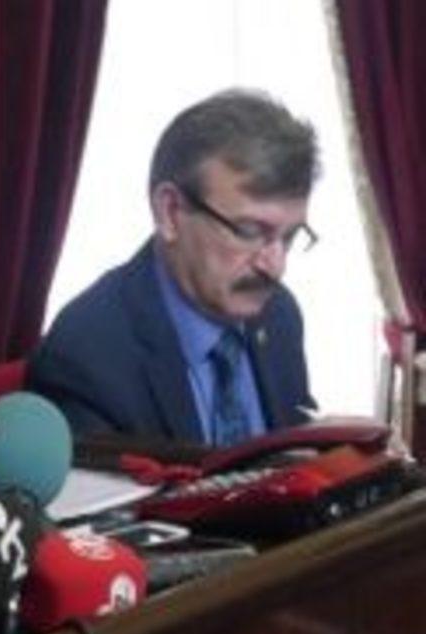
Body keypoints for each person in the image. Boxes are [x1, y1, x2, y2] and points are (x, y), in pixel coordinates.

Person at [29, 89, 319, 446]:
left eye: (290, 236)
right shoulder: (87, 358)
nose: (275, 266)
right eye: (249, 231)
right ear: (170, 212)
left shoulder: (279, 315)